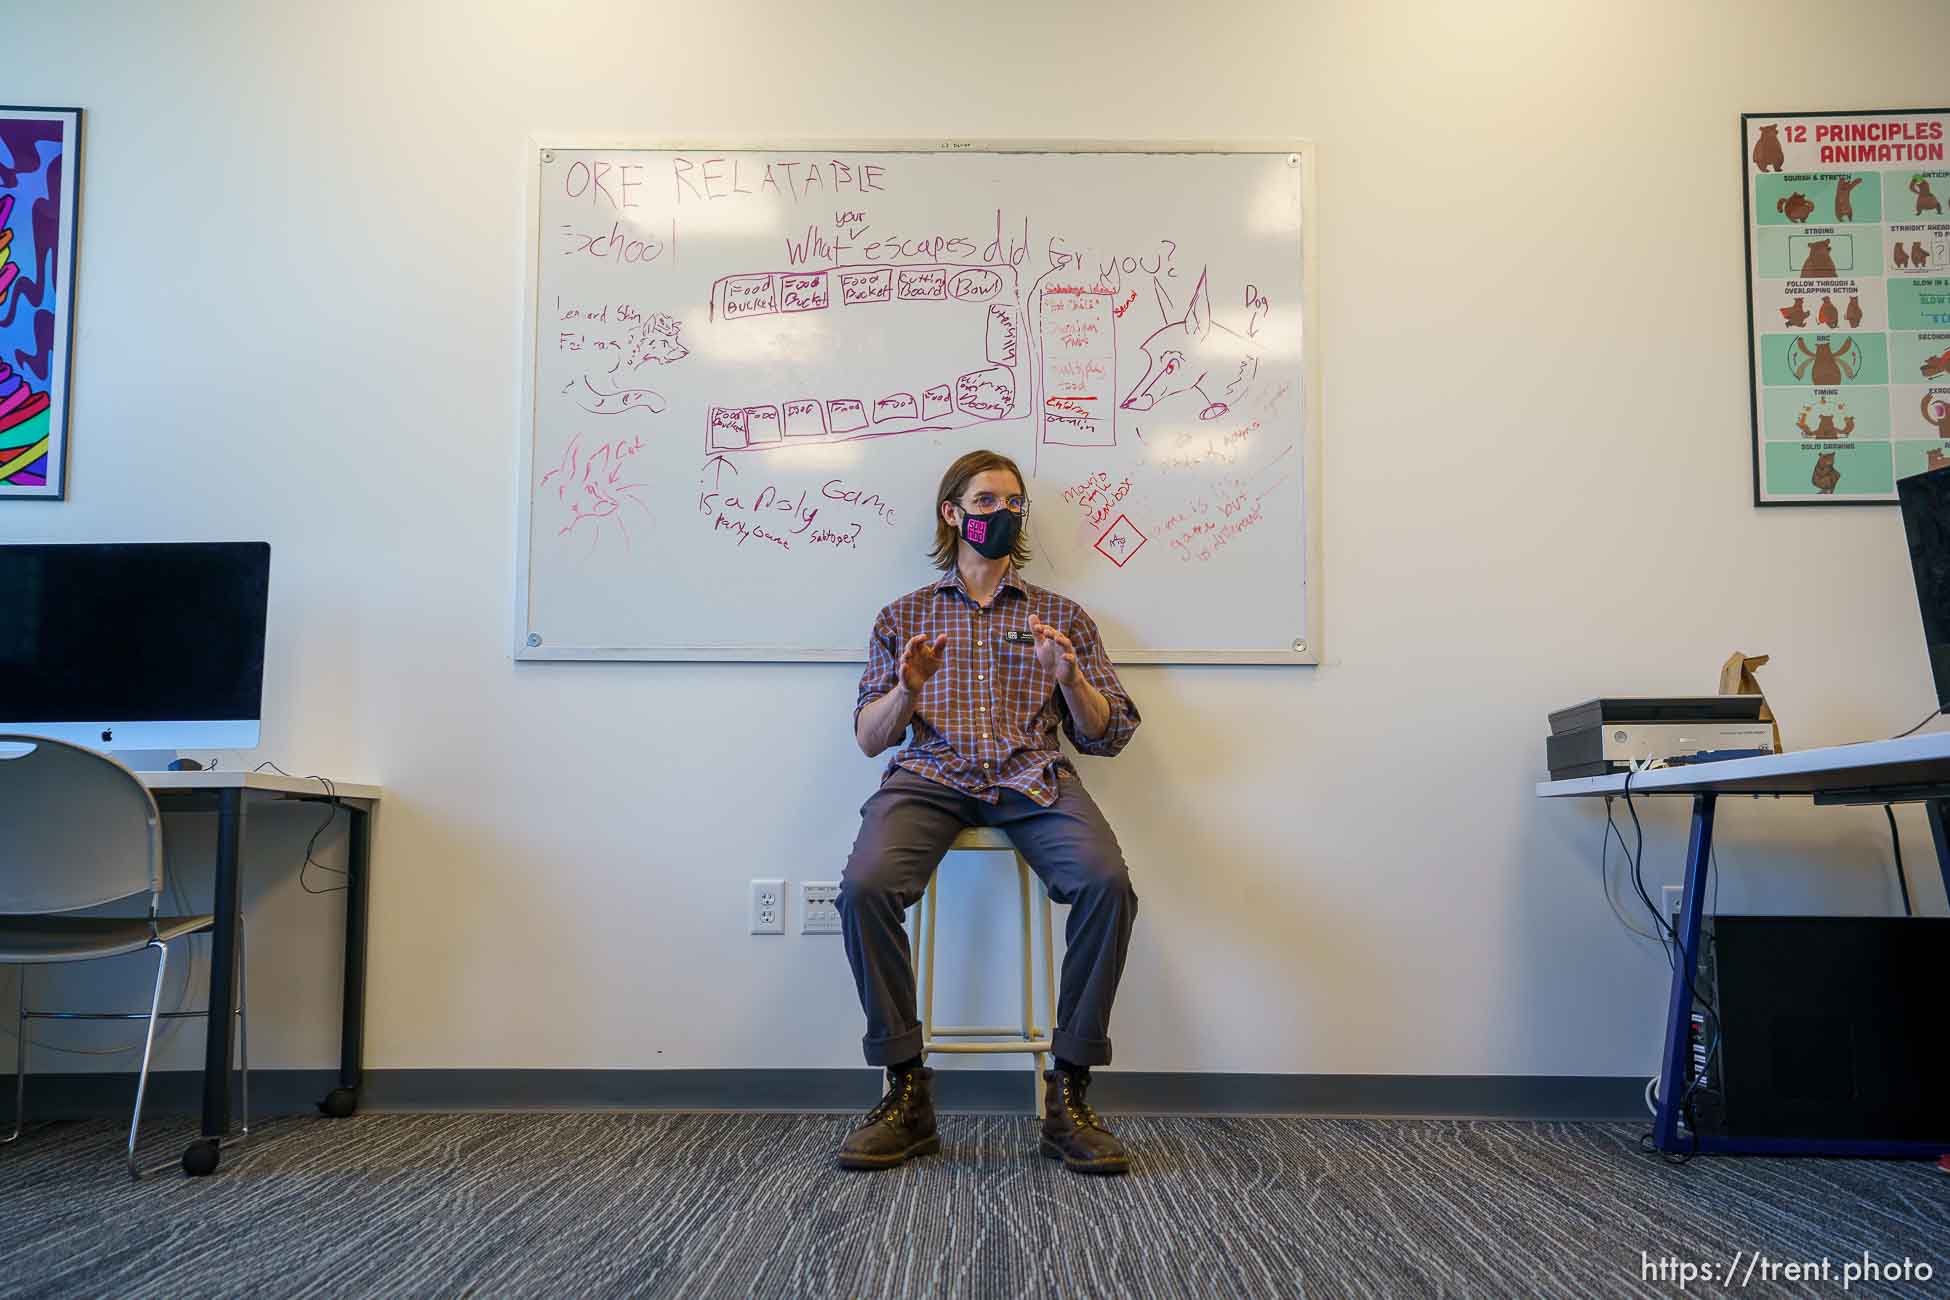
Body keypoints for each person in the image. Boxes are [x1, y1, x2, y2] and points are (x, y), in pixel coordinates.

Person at [836, 448, 1142, 1175]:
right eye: (985, 503)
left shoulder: (1061, 616)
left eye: (1013, 504)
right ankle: (907, 1087)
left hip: (1031, 776)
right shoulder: (902, 616)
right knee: (865, 889)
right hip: (931, 775)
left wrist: (1070, 682)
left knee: (1107, 887)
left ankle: (1069, 1089)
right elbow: (869, 737)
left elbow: (1110, 735)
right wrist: (908, 690)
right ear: (952, 513)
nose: (1001, 515)